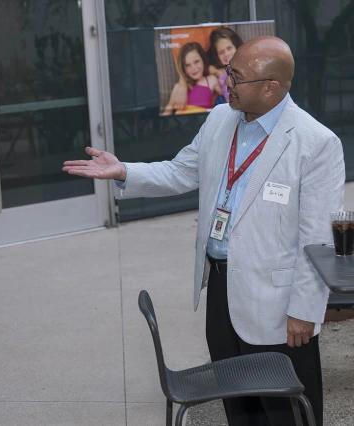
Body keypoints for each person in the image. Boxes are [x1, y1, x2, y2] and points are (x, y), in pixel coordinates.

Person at [63, 36, 344, 426]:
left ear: (270, 87)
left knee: (286, 414)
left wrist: (305, 311)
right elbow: (181, 171)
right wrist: (124, 170)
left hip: (279, 308)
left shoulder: (316, 144)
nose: (227, 82)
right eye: (229, 72)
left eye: (237, 77)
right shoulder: (219, 120)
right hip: (221, 292)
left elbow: (318, 238)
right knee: (239, 408)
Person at [163, 42, 223, 116]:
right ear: (183, 68)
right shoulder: (178, 87)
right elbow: (166, 113)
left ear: (203, 60)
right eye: (188, 65)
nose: (193, 68)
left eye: (196, 62)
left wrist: (214, 70)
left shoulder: (211, 80)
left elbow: (227, 94)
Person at [207, 27, 244, 103]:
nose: (226, 54)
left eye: (229, 48)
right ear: (217, 57)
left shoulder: (249, 67)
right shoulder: (221, 75)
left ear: (236, 46)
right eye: (221, 52)